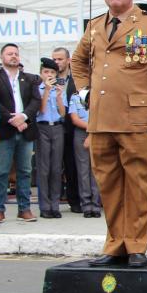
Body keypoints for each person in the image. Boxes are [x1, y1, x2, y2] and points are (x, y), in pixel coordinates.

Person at [71, 0, 147, 268]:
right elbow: (78, 62)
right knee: (108, 184)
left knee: (137, 183)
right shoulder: (94, 28)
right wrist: (83, 92)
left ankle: (136, 245)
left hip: (136, 118)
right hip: (101, 118)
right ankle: (114, 243)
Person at [0, 43, 41, 223]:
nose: (13, 56)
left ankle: (24, 209)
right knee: (1, 172)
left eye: (16, 54)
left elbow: (36, 101)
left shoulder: (30, 79)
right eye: (9, 54)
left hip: (26, 130)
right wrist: (12, 119)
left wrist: (24, 117)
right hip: (5, 130)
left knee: (25, 171)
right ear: (2, 57)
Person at [35, 58, 67, 219]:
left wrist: (59, 96)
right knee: (44, 168)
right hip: (42, 127)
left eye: (52, 72)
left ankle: (55, 205)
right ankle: (44, 206)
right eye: (46, 72)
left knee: (56, 168)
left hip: (57, 128)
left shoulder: (59, 89)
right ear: (41, 73)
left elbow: (63, 113)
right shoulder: (38, 89)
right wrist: (47, 91)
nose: (49, 75)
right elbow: (40, 111)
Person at [52, 47, 80, 214]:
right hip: (53, 125)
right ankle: (52, 203)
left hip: (71, 126)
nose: (57, 62)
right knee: (53, 166)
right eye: (54, 59)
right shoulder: (48, 79)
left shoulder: (76, 79)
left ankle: (74, 199)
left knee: (72, 165)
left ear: (68, 60)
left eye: (60, 59)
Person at [68, 89, 101, 218]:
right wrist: (90, 130)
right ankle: (86, 205)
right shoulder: (76, 96)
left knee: (95, 169)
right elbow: (75, 119)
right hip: (81, 133)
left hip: (98, 132)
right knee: (83, 170)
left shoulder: (99, 92)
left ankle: (96, 204)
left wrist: (92, 134)